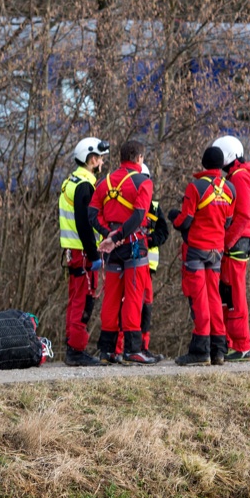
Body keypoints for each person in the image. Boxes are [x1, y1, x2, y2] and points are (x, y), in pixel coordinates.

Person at [90, 140, 161, 364]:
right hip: (134, 246)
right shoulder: (143, 182)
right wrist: (120, 236)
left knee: (110, 298)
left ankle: (107, 351)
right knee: (133, 296)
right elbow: (139, 215)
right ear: (139, 158)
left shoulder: (104, 182)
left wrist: (108, 235)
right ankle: (132, 350)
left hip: (112, 248)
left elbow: (92, 213)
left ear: (121, 158)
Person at [169, 145, 236, 366]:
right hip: (216, 251)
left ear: (204, 164)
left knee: (199, 299)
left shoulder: (195, 187)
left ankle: (200, 351)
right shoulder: (230, 189)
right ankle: (219, 351)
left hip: (196, 250)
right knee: (214, 298)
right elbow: (227, 222)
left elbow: (185, 221)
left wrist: (173, 217)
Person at [212, 135, 250, 362]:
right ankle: (234, 343)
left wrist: (226, 242)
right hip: (244, 239)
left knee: (234, 295)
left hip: (237, 242)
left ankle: (241, 345)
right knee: (230, 293)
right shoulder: (249, 174)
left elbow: (244, 214)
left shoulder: (238, 177)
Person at [59, 137, 111, 367]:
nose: (101, 163)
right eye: (100, 158)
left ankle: (72, 345)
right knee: (84, 301)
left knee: (75, 299)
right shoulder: (85, 185)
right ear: (91, 159)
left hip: (73, 251)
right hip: (82, 253)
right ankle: (76, 350)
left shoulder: (70, 181)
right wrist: (93, 254)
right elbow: (83, 223)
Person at [116, 161, 169, 360]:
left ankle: (142, 347)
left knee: (145, 308)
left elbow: (164, 232)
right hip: (128, 262)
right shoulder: (125, 205)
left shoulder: (154, 207)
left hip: (148, 266)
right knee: (126, 304)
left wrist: (148, 240)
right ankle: (121, 348)